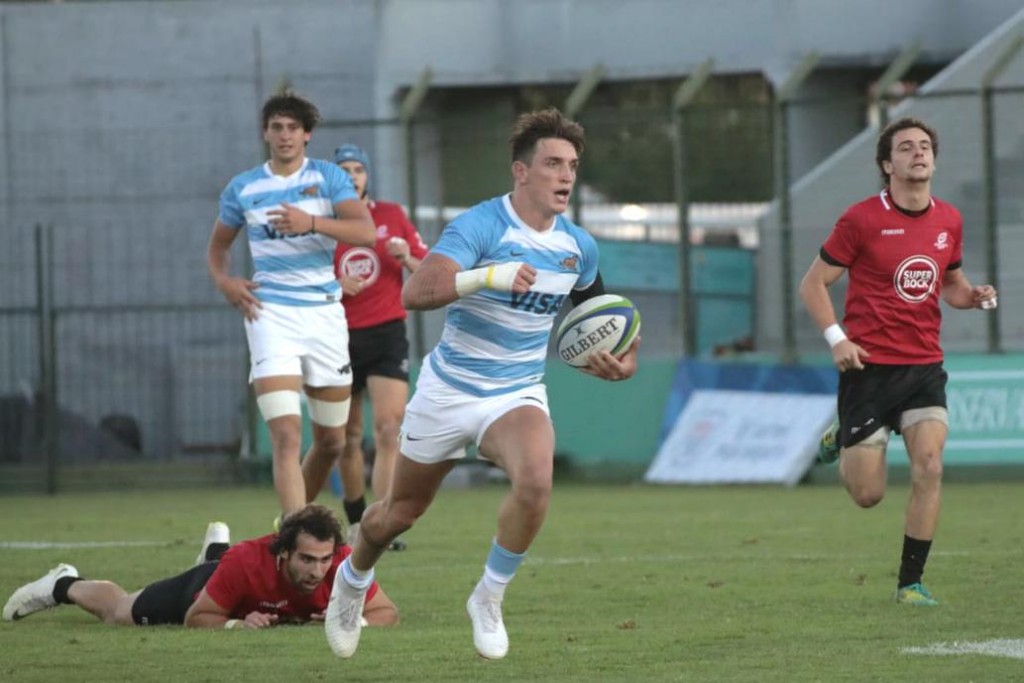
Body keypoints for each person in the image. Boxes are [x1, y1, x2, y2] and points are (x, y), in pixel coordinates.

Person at [323, 107, 640, 660]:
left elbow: (603, 318)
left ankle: (488, 597)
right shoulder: (479, 226)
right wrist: (489, 275)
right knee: (397, 514)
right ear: (521, 171)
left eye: (572, 165)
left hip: (515, 393)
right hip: (449, 389)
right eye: (553, 163)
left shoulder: (578, 248)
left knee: (536, 480)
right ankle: (352, 581)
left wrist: (624, 364)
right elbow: (416, 293)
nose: (566, 175)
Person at [798, 117, 997, 607]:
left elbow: (950, 283)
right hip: (867, 368)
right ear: (888, 165)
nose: (918, 153)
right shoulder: (861, 219)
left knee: (930, 466)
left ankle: (911, 584)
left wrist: (972, 296)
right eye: (906, 147)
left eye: (925, 146)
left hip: (923, 367)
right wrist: (837, 339)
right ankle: (842, 435)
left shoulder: (948, 220)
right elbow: (812, 283)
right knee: (867, 495)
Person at [206, 93, 376, 519]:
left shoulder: (329, 177)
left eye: (293, 128)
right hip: (270, 315)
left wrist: (312, 222)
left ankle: (291, 522)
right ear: (266, 133)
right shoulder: (243, 187)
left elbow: (365, 232)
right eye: (277, 127)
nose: (285, 135)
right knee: (286, 436)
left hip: (324, 315)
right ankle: (295, 534)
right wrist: (225, 282)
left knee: (332, 441)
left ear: (307, 135)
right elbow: (218, 248)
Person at [3, 505, 398, 628]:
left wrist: (351, 621)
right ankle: (63, 584)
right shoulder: (247, 563)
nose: (317, 570)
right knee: (120, 611)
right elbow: (197, 617)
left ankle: (214, 550)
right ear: (282, 554)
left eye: (324, 559)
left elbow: (387, 613)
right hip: (212, 588)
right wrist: (236, 624)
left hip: (229, 578)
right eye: (306, 559)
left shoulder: (343, 565)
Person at [331, 143, 429, 551]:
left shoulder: (391, 216)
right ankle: (357, 520)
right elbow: (300, 281)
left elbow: (428, 270)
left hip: (387, 332)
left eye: (358, 169)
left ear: (367, 175)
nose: (352, 176)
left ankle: (383, 524)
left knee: (390, 427)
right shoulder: (322, 224)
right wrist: (334, 284)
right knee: (346, 436)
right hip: (336, 335)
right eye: (344, 171)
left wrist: (405, 257)